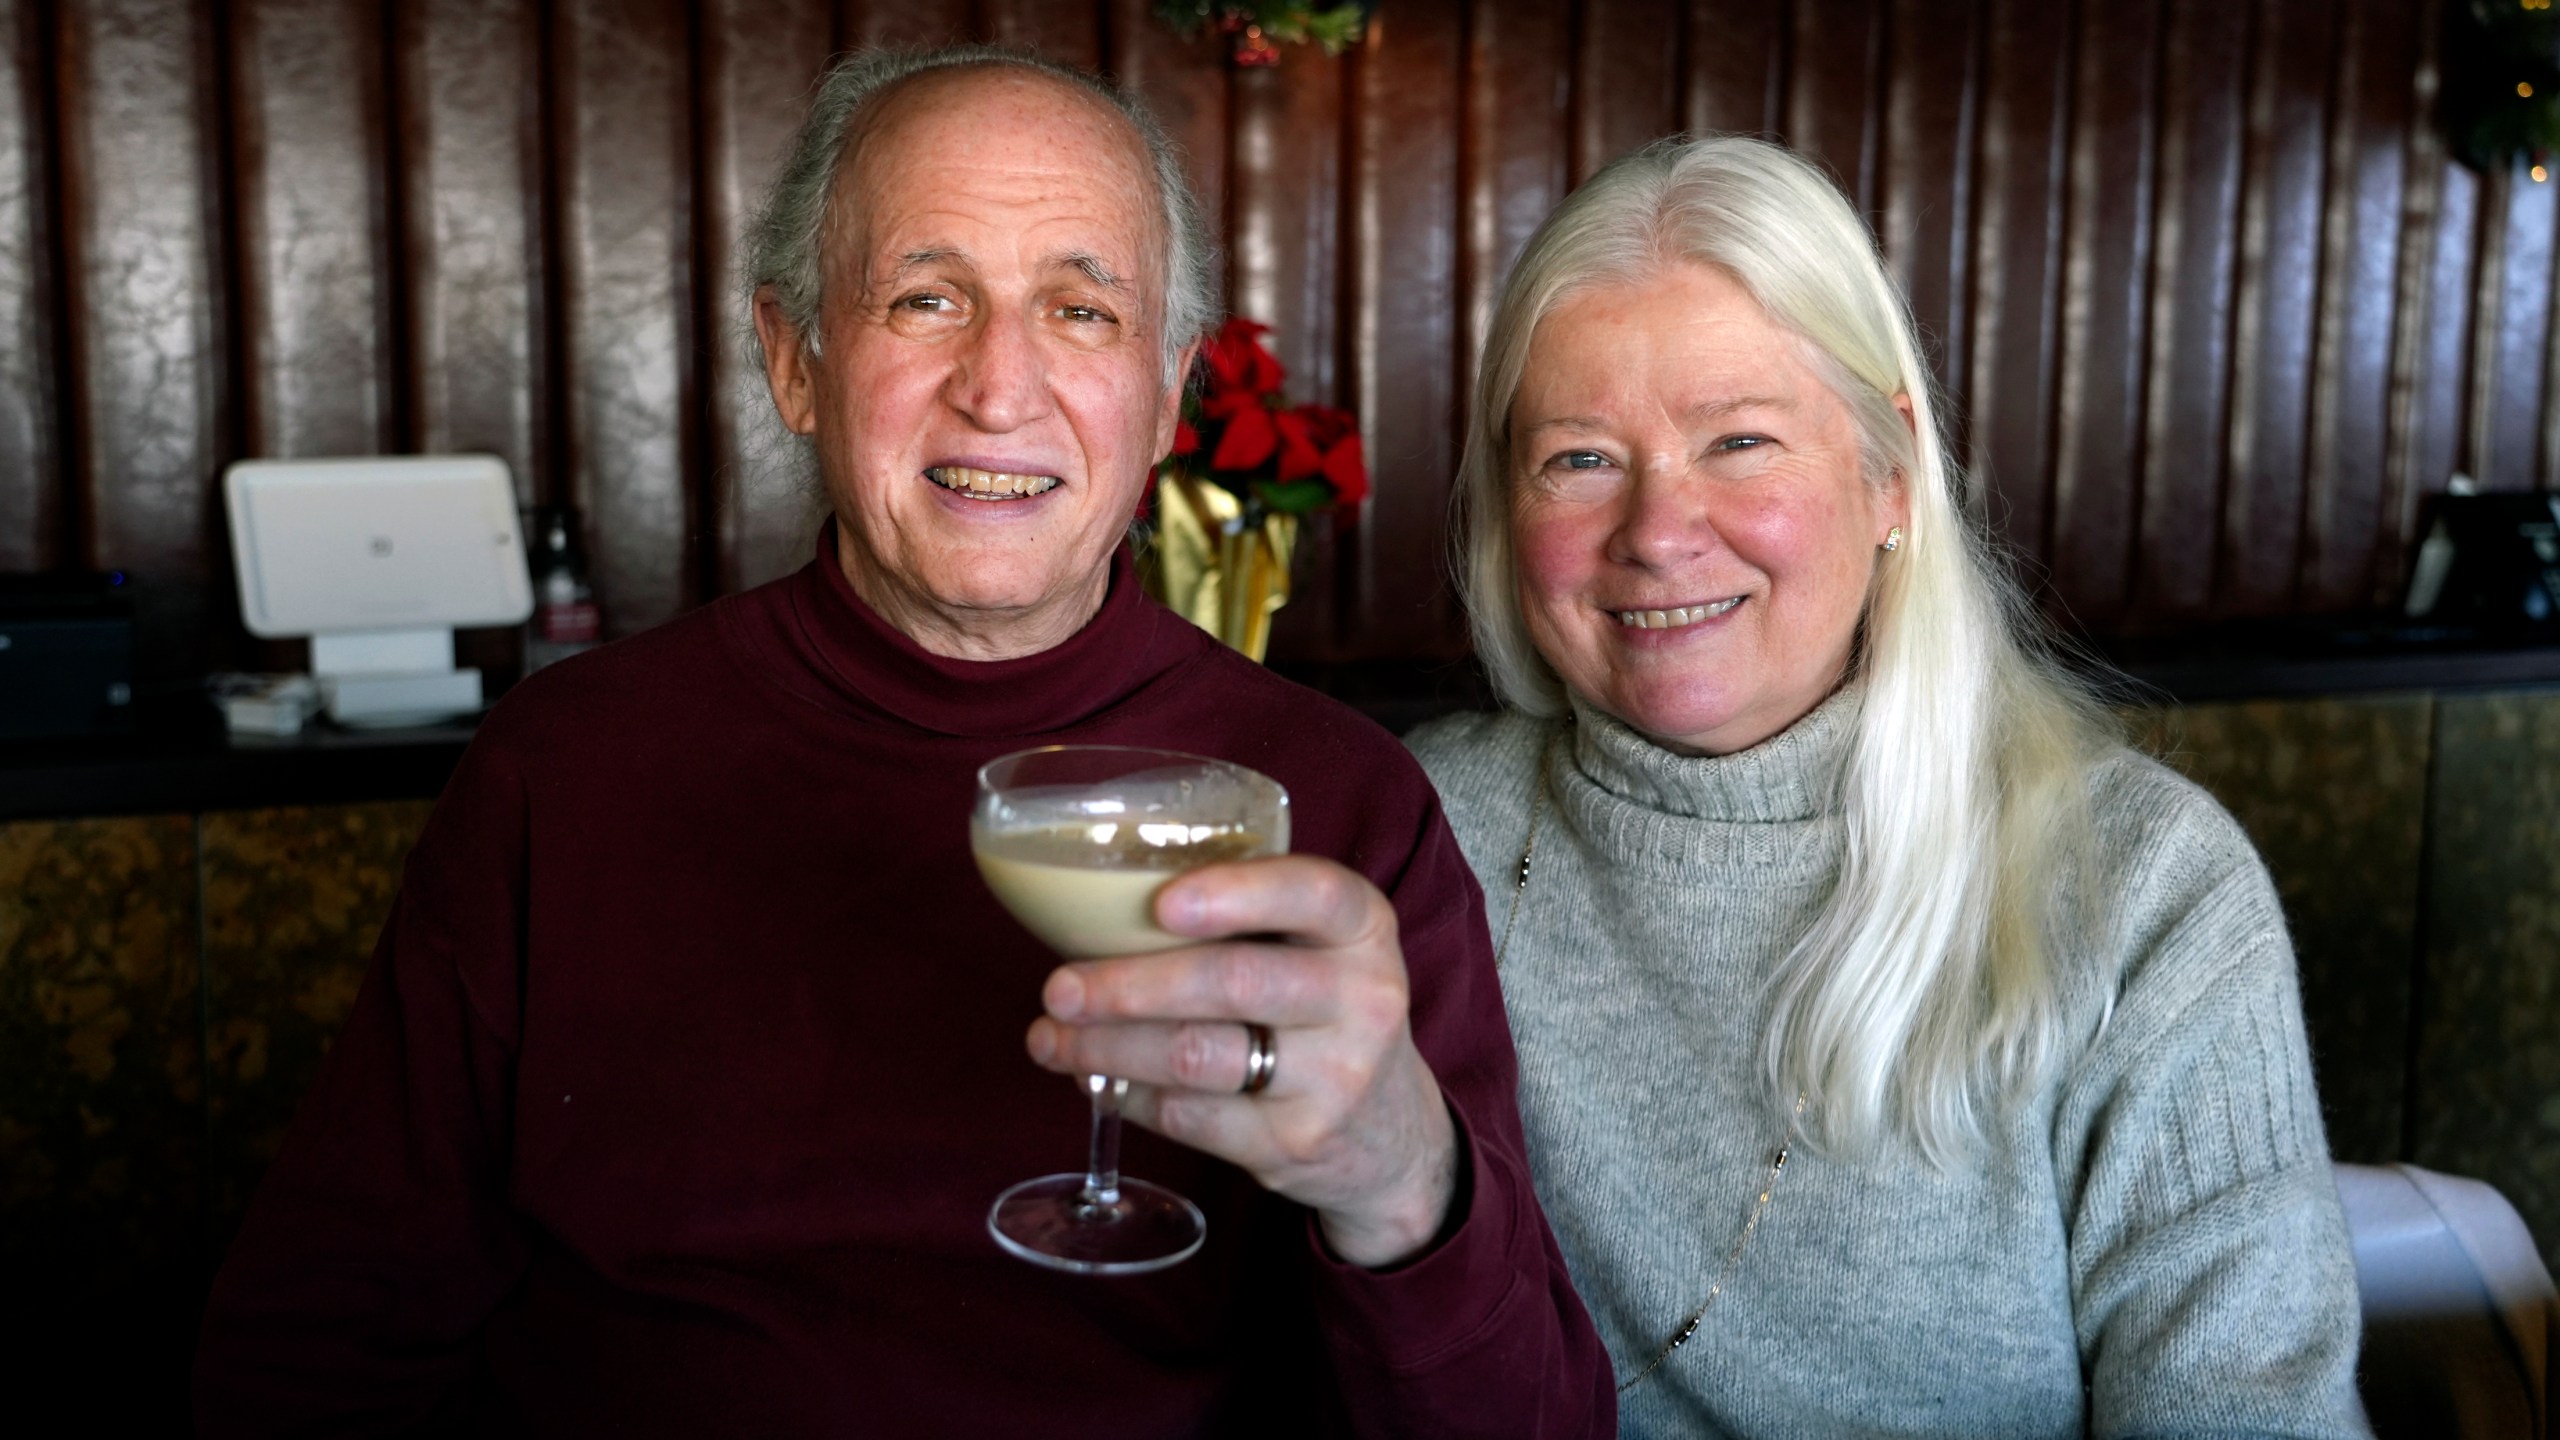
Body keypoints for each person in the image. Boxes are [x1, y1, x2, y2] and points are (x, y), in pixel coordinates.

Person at [195, 46, 1612, 1437]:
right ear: (792, 361)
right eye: (926, 299)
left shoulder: (1335, 808)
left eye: (1081, 312)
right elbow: (321, 1337)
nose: (999, 388)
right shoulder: (561, 768)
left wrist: (1404, 1184)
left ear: (1168, 393)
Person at [1405, 134, 2371, 1438]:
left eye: (1739, 440)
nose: (1656, 531)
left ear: (1890, 476)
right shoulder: (1419, 835)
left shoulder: (2144, 891)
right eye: (1578, 458)